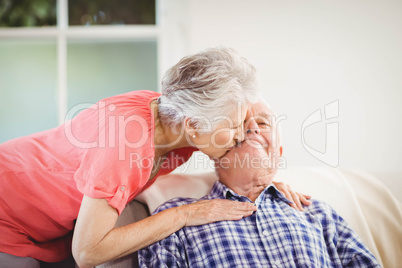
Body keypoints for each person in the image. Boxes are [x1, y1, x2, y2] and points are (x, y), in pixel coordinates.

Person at [0, 48, 309, 268]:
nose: (241, 135)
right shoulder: (126, 143)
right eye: (233, 127)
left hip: (48, 226)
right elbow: (87, 252)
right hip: (8, 213)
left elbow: (250, 130)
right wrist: (185, 214)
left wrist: (268, 184)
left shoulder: (177, 118)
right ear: (194, 126)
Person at [138, 100, 381, 268]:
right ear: (214, 148)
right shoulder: (175, 218)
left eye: (263, 123)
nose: (252, 127)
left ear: (279, 150)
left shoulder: (318, 213)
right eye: (239, 124)